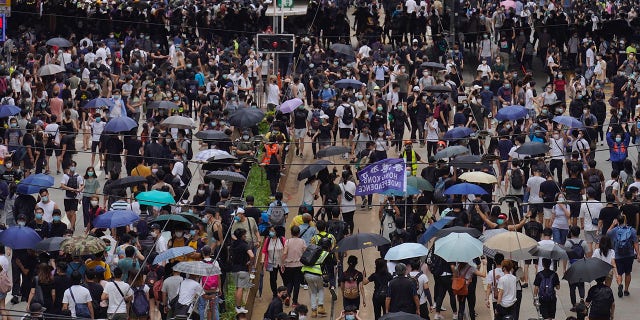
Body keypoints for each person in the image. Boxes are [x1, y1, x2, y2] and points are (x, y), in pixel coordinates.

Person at [607, 214, 640, 297]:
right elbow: (636, 243)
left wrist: (613, 224)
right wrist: (638, 254)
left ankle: (619, 284)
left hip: (618, 255)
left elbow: (607, 233)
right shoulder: (632, 230)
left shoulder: (615, 230)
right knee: (628, 273)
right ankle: (626, 290)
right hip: (629, 255)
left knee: (619, 273)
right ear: (625, 220)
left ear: (618, 221)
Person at [301, 235, 332, 318]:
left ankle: (314, 311)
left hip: (306, 273)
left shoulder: (313, 249)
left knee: (313, 292)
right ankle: (321, 307)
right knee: (321, 289)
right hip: (317, 273)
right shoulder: (326, 253)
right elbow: (333, 263)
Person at [230, 228, 254, 313]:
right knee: (240, 288)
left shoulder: (233, 244)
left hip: (234, 269)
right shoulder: (244, 244)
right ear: (242, 235)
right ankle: (239, 307)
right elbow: (252, 255)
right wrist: (250, 263)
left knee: (237, 288)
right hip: (243, 269)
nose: (246, 236)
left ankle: (237, 306)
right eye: (245, 234)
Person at [282, 225, 306, 308]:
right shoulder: (302, 241)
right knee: (297, 283)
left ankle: (288, 296)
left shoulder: (287, 241)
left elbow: (285, 253)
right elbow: (305, 252)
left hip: (289, 266)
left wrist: (282, 263)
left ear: (291, 233)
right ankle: (295, 302)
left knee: (289, 283)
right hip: (299, 266)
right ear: (299, 233)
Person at [262, 226, 286, 298]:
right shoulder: (268, 240)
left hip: (281, 263)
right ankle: (275, 294)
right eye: (270, 231)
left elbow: (286, 250)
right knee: (272, 279)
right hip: (270, 263)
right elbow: (264, 250)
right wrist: (263, 259)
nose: (271, 232)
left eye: (272, 231)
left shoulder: (282, 239)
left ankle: (285, 293)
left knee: (285, 278)